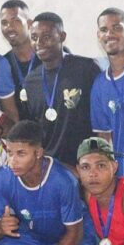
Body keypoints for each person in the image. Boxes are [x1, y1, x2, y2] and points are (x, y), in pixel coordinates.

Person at [19, 12, 100, 168]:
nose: (39, 43)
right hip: (50, 167)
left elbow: (101, 117)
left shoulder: (86, 68)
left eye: (46, 37)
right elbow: (34, 127)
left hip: (86, 164)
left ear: (62, 36)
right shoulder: (31, 81)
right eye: (34, 38)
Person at [91, 7, 124, 176]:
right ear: (98, 36)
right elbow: (104, 139)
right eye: (104, 30)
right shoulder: (99, 85)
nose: (109, 34)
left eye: (117, 28)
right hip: (123, 176)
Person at [0, 0, 41, 119]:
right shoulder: (3, 64)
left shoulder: (49, 56)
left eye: (16, 21)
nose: (9, 27)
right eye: (4, 23)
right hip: (20, 130)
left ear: (29, 24)